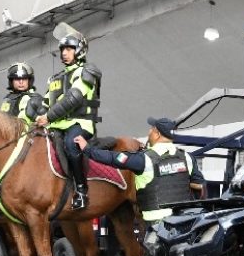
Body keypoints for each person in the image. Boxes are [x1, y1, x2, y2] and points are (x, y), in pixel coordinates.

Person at [75, 117, 202, 222]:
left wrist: (87, 149)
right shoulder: (187, 157)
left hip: (157, 225)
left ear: (157, 134)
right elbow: (199, 185)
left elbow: (112, 158)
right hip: (183, 221)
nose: (149, 132)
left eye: (151, 129)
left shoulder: (145, 159)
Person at [34, 23, 102, 210]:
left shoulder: (88, 71)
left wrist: (48, 117)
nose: (64, 52)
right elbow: (46, 104)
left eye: (69, 49)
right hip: (56, 125)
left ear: (79, 50)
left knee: (71, 145)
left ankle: (81, 190)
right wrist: (39, 118)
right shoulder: (55, 78)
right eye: (63, 49)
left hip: (80, 124)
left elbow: (74, 97)